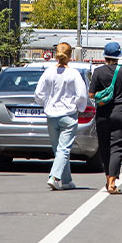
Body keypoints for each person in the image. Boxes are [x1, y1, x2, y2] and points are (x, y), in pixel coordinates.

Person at [34, 42, 87, 191]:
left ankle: (67, 181)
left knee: (59, 150)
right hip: (68, 115)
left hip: (51, 115)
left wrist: (44, 103)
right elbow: (82, 94)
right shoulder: (74, 73)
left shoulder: (48, 72)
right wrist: (79, 107)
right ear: (70, 56)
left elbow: (38, 94)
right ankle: (54, 177)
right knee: (64, 150)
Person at [89, 42, 122, 195]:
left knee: (104, 147)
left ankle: (108, 178)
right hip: (120, 112)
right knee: (118, 147)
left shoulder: (97, 72)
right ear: (119, 56)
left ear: (105, 56)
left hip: (102, 113)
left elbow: (91, 94)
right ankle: (112, 183)